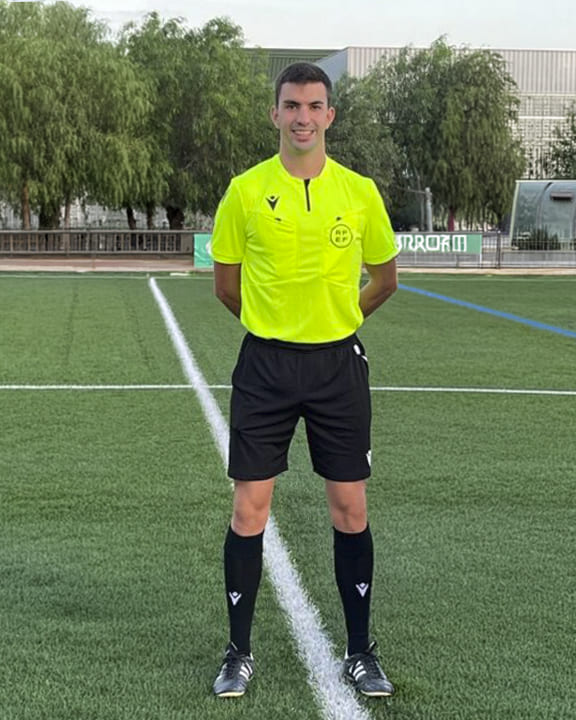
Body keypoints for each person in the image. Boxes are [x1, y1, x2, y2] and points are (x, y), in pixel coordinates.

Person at [209, 61, 398, 700]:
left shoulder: (359, 192)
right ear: (275, 114)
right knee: (248, 508)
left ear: (330, 116)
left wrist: (338, 321)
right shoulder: (245, 191)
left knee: (350, 508)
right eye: (292, 106)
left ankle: (361, 650)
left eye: (315, 106)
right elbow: (226, 286)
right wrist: (276, 328)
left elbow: (385, 279)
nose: (303, 118)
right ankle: (238, 652)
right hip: (265, 368)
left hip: (337, 367)